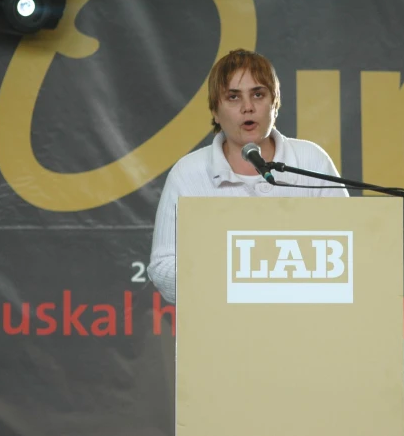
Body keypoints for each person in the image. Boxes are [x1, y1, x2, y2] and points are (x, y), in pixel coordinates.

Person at [146, 49, 348, 304]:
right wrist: (236, 279)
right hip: (220, 328)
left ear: (274, 103)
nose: (248, 107)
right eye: (233, 97)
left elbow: (347, 251)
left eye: (258, 94)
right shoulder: (188, 173)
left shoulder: (311, 160)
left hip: (307, 324)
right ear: (215, 112)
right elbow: (163, 267)